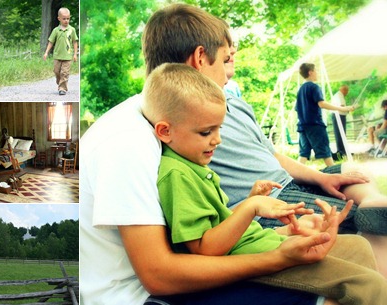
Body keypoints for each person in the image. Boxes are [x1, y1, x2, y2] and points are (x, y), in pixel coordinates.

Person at [81, 4, 360, 305]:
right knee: (346, 288)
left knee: (356, 254)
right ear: (200, 58)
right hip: (138, 296)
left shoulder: (167, 122)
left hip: (181, 273)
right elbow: (158, 275)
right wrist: (278, 257)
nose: (230, 74)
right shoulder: (128, 141)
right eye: (225, 60)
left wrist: (280, 234)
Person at [143, 62, 387, 305]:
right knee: (366, 284)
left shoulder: (194, 164)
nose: (217, 140)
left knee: (358, 246)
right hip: (253, 263)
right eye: (206, 132)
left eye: (219, 129)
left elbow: (218, 223)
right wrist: (252, 207)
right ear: (165, 131)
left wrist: (257, 205)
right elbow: (203, 248)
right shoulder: (177, 175)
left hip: (265, 241)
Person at [211, 45, 387, 277]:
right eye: (226, 56)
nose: (232, 61)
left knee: (351, 169)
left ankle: (372, 200)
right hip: (273, 198)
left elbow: (273, 154)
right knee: (363, 226)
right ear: (200, 56)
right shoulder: (191, 116)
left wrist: (322, 177)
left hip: (289, 176)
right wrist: (343, 108)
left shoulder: (236, 103)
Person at [295, 63, 355, 166]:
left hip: (303, 127)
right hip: (315, 126)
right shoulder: (314, 87)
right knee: (325, 152)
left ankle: (293, 178)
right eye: (316, 70)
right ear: (310, 72)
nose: (317, 73)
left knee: (303, 154)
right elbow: (321, 104)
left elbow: (297, 108)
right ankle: (335, 177)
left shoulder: (300, 90)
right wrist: (342, 108)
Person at [42, 7, 78, 96]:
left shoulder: (71, 30)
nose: (66, 20)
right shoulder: (56, 30)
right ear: (59, 19)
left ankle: (62, 88)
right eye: (64, 19)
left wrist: (75, 54)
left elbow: (74, 42)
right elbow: (51, 42)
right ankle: (60, 82)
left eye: (68, 18)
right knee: (57, 71)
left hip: (67, 56)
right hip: (57, 55)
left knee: (64, 73)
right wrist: (46, 52)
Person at [330, 85, 350, 158]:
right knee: (339, 133)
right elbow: (341, 106)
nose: (347, 93)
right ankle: (341, 151)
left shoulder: (339, 95)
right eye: (347, 91)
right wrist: (348, 108)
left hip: (340, 116)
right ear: (344, 90)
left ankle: (343, 150)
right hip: (338, 116)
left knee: (342, 133)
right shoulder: (338, 96)